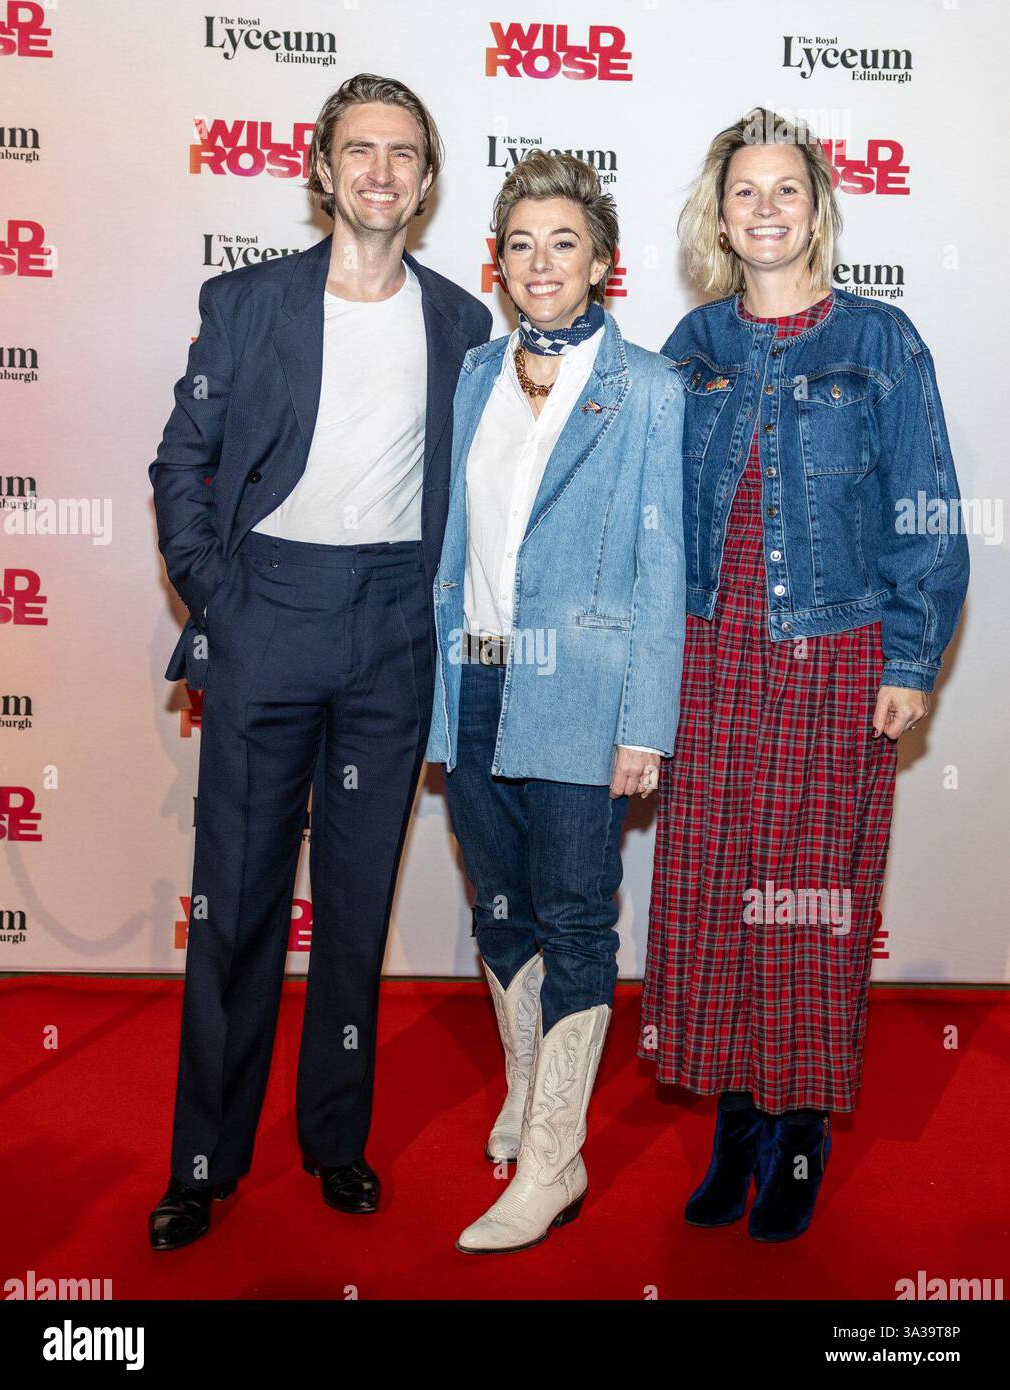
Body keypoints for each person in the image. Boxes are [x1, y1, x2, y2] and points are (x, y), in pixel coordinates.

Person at [146, 73, 491, 1250]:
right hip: (270, 613)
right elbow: (177, 465)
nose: (382, 172)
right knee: (236, 904)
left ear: (429, 181)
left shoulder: (460, 320)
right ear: (321, 170)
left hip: (395, 624)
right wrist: (222, 599)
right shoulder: (245, 305)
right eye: (360, 150)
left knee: (353, 908)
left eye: (404, 153)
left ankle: (335, 1140)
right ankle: (204, 1159)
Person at [638, 108, 969, 1242]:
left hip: (834, 655)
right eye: (745, 192)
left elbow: (925, 511)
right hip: (707, 653)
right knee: (710, 895)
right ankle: (736, 1115)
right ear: (718, 214)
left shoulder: (881, 344)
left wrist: (913, 655)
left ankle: (800, 1132)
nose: (765, 209)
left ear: (818, 208)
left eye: (787, 190)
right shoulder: (693, 348)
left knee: (814, 901)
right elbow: (651, 518)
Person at [425, 150, 686, 1254]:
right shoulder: (478, 372)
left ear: (603, 262)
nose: (541, 263)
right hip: (476, 674)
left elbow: (661, 565)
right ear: (500, 260)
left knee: (577, 913)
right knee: (498, 907)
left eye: (563, 242)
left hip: (581, 689)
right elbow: (454, 542)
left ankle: (550, 1161)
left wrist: (645, 720)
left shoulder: (650, 389)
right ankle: (533, 1097)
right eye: (522, 243)